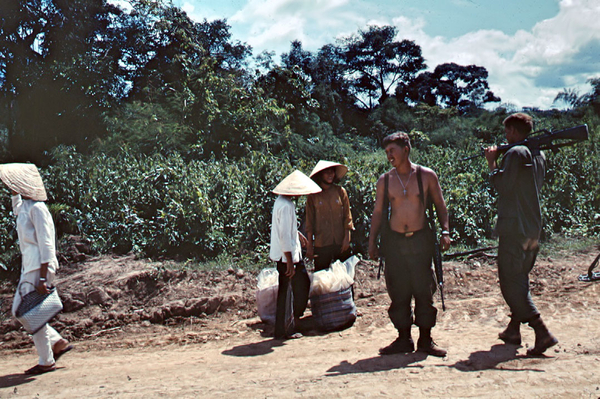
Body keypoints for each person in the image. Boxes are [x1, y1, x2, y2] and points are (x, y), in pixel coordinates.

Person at [368, 132, 451, 357]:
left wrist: (445, 231)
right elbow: (377, 213)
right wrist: (372, 242)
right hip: (394, 243)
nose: (389, 156)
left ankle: (425, 340)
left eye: (392, 151)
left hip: (421, 241)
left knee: (424, 290)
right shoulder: (385, 180)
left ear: (406, 149)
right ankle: (403, 339)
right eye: (386, 152)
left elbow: (441, 206)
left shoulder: (426, 176)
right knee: (399, 291)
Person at [484, 113, 558, 356]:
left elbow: (503, 188)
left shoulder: (516, 153)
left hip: (514, 227)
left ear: (514, 132)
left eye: (507, 132)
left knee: (510, 281)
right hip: (532, 227)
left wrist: (492, 163)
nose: (506, 137)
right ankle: (513, 330)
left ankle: (541, 330)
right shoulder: (538, 153)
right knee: (520, 278)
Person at [0, 163, 73, 375]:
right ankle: (56, 343)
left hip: (38, 268)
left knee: (26, 312)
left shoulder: (38, 209)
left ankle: (47, 359)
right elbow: (17, 211)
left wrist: (43, 276)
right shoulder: (25, 208)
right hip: (29, 267)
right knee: (27, 312)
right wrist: (14, 192)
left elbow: (47, 244)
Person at [270, 170, 321, 340]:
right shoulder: (286, 206)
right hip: (287, 258)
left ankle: (286, 326)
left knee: (289, 291)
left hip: (287, 256)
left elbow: (286, 229)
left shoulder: (281, 202)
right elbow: (284, 235)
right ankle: (286, 328)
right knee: (293, 290)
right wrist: (290, 262)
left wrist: (298, 236)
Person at [305, 160, 354, 272]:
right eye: (327, 172)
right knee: (321, 277)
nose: (330, 175)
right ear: (320, 174)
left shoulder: (340, 192)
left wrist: (347, 238)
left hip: (340, 242)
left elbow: (348, 216)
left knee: (345, 275)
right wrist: (309, 246)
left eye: (332, 172)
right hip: (322, 243)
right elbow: (310, 222)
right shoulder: (313, 196)